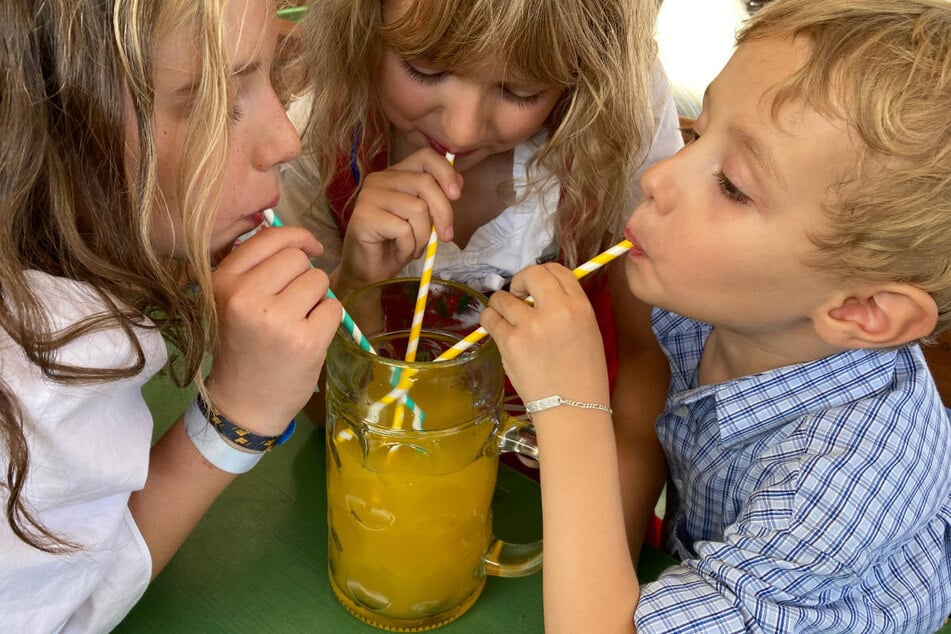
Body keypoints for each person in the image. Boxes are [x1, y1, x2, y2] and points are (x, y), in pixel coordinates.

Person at [480, 0, 951, 631]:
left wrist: (569, 408)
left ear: (863, 309)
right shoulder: (724, 304)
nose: (659, 177)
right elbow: (649, 374)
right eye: (697, 134)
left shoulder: (842, 481)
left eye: (730, 184)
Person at [277, 0, 679, 553]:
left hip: (577, 509)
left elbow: (648, 360)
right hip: (385, 508)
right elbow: (327, 415)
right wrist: (356, 283)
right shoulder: (316, 132)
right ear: (363, 26)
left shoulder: (618, 114)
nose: (461, 129)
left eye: (520, 91)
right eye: (424, 69)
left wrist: (606, 560)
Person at [0, 1, 339, 631]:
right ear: (63, 132)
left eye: (273, 73)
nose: (286, 141)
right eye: (217, 101)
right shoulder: (38, 393)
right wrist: (237, 416)